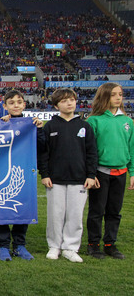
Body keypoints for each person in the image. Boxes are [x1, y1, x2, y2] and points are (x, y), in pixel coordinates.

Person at [38, 88, 96, 263]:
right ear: (56, 105)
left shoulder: (85, 126)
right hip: (55, 179)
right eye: (64, 101)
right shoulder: (51, 126)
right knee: (55, 214)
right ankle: (54, 246)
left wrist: (91, 175)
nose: (69, 103)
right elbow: (43, 153)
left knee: (75, 215)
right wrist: (45, 174)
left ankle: (70, 248)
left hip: (79, 179)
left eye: (71, 99)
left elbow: (92, 153)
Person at [86, 82, 133, 260]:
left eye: (120, 94)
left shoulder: (128, 122)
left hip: (120, 173)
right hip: (100, 173)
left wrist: (132, 172)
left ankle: (110, 244)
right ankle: (93, 244)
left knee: (114, 211)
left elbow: (132, 149)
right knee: (97, 211)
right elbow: (89, 151)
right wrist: (91, 173)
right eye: (113, 94)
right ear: (104, 96)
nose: (118, 97)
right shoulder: (94, 120)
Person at [0, 90, 43, 261]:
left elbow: (43, 146)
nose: (16, 105)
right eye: (11, 102)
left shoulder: (32, 124)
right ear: (5, 106)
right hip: (3, 172)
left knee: (22, 207)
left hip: (23, 172)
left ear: (24, 104)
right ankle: (2, 245)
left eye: (19, 102)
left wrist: (38, 129)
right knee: (1, 207)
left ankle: (19, 244)